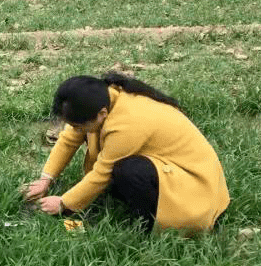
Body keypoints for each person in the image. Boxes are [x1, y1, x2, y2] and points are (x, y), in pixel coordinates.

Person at [24, 72, 229, 235]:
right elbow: (69, 139)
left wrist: (63, 203)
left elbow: (102, 173)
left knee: (128, 171)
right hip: (169, 169)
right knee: (115, 165)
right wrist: (45, 179)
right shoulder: (102, 99)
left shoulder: (128, 124)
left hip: (195, 188)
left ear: (102, 113)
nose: (74, 130)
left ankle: (146, 228)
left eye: (77, 126)